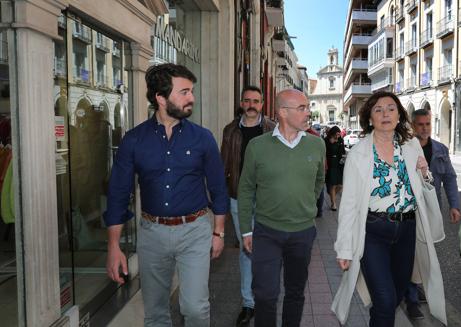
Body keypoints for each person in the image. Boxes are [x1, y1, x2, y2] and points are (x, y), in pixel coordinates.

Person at [104, 63, 229, 327]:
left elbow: (218, 187)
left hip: (195, 231)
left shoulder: (203, 138)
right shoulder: (134, 140)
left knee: (194, 308)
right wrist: (114, 246)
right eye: (184, 92)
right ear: (161, 98)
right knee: (156, 313)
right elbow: (117, 193)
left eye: (191, 91)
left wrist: (219, 232)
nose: (191, 98)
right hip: (152, 234)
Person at [331, 91, 447, 327]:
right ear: (370, 118)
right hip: (374, 232)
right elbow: (349, 205)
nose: (385, 114)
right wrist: (343, 247)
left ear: (399, 115)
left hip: (407, 231)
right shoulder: (358, 154)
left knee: (393, 297)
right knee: (384, 300)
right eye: (378, 110)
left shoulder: (411, 145)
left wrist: (425, 173)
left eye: (391, 108)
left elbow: (425, 185)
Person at [238, 89, 325, 327]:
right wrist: (246, 230)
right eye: (302, 108)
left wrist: (305, 204)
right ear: (283, 113)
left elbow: (319, 182)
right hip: (266, 232)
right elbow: (245, 189)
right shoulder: (257, 146)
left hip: (303, 233)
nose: (308, 112)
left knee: (295, 293)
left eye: (308, 107)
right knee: (265, 295)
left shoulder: (317, 145)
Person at [221, 85, 275, 326]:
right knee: (247, 250)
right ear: (241, 103)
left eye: (256, 100)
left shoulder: (273, 129)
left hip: (269, 200)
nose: (251, 104)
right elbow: (224, 165)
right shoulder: (230, 130)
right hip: (238, 198)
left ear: (262, 104)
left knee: (269, 250)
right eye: (247, 100)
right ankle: (248, 303)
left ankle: (266, 298)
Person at [404, 109, 461, 319]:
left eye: (428, 124)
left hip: (432, 209)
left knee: (428, 252)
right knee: (412, 253)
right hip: (410, 209)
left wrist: (454, 205)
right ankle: (411, 299)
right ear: (413, 125)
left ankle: (417, 286)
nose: (425, 128)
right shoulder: (405, 149)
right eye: (420, 124)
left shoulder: (440, 149)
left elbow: (450, 179)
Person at [324, 125, 345, 211]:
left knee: (340, 185)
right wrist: (330, 144)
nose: (337, 136)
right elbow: (324, 153)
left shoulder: (340, 140)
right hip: (331, 164)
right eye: (336, 134)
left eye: (338, 134)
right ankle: (333, 204)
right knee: (333, 185)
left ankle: (331, 194)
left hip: (339, 164)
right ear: (332, 133)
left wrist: (337, 143)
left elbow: (343, 151)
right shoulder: (326, 140)